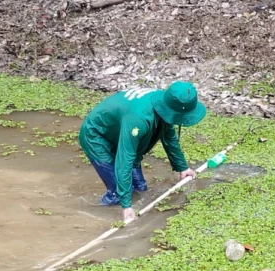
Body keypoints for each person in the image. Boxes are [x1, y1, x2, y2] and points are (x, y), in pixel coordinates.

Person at [78, 81, 207, 223]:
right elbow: (125, 158)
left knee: (140, 188)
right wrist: (126, 205)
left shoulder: (166, 104)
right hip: (97, 134)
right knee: (117, 195)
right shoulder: (138, 119)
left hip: (121, 128)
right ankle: (95, 217)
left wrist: (182, 167)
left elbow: (169, 137)